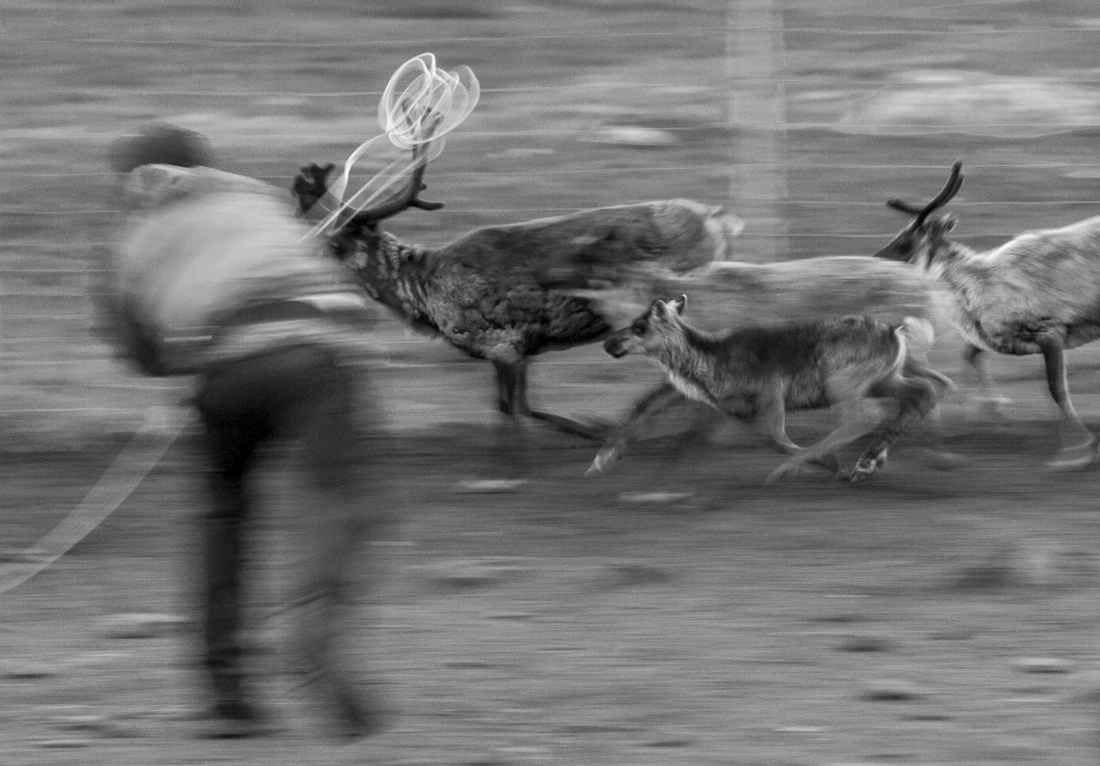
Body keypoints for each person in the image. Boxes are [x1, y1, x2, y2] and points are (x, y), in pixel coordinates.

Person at [98, 123, 386, 739]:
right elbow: (335, 278)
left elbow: (138, 348)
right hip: (318, 358)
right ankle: (311, 637)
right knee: (337, 502)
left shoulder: (131, 236)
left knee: (224, 515)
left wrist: (179, 357)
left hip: (225, 373)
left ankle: (226, 697)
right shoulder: (260, 200)